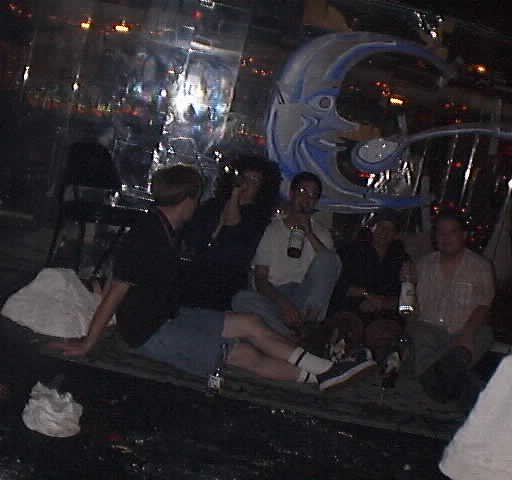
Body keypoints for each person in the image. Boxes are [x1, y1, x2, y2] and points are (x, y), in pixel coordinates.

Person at [50, 164, 376, 391]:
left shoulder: (167, 228)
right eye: (197, 198)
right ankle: (322, 374)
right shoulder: (148, 235)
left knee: (250, 322)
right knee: (243, 354)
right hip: (150, 332)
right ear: (187, 200)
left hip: (169, 314)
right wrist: (89, 342)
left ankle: (328, 371)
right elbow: (116, 289)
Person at [232, 171, 342, 339]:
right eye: (302, 191)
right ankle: (294, 336)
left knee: (330, 258)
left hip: (305, 299)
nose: (306, 199)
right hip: (275, 297)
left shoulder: (322, 234)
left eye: (312, 195)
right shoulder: (272, 230)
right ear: (292, 193)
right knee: (241, 299)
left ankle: (304, 327)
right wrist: (283, 303)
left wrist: (309, 233)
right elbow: (260, 278)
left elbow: (330, 267)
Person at [408, 209, 495, 405]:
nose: (445, 238)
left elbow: (484, 304)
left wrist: (468, 333)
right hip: (428, 329)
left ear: (463, 235)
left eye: (452, 232)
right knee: (423, 338)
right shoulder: (422, 265)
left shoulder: (480, 266)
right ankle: (454, 384)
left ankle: (437, 380)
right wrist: (407, 285)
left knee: (483, 336)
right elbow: (409, 305)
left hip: (463, 331)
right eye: (441, 232)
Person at [181, 155, 281, 310]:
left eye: (254, 180)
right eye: (244, 178)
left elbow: (233, 230)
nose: (246, 183)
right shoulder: (212, 206)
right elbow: (192, 236)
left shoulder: (257, 218)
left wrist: (235, 195)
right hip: (196, 274)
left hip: (226, 284)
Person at [327, 209, 410, 362]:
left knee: (384, 334)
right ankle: (340, 353)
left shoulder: (401, 259)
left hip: (385, 314)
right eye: (381, 227)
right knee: (347, 325)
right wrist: (367, 295)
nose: (384, 233)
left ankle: (387, 361)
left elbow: (407, 299)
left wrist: (384, 303)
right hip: (352, 308)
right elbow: (337, 284)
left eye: (390, 229)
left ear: (395, 235)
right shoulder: (351, 251)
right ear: (372, 227)